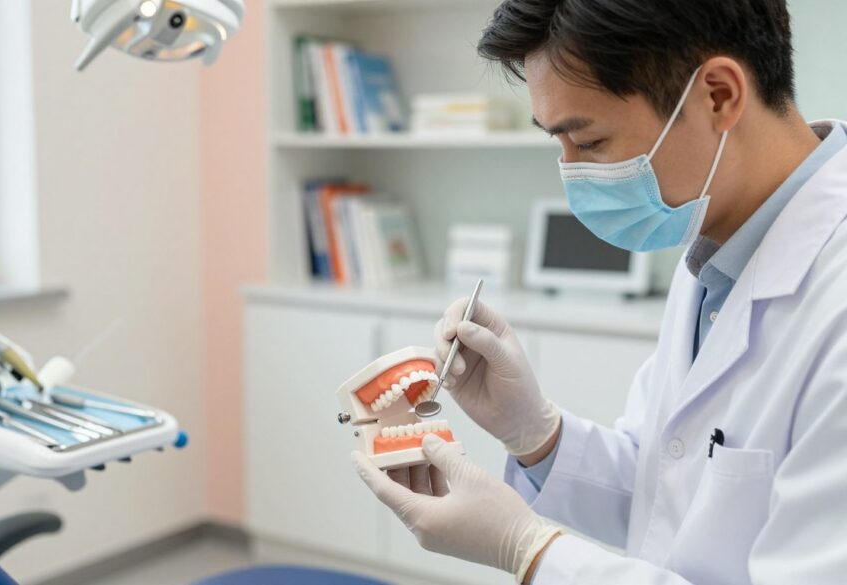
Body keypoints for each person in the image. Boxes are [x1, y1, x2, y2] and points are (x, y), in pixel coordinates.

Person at [351, 1, 847, 583]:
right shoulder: (717, 245)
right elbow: (665, 487)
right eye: (558, 143)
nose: (573, 174)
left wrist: (529, 551)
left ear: (718, 95)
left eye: (587, 142)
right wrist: (536, 433)